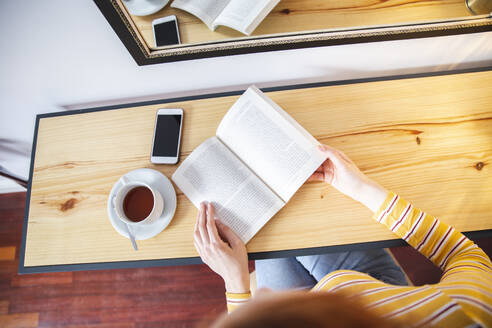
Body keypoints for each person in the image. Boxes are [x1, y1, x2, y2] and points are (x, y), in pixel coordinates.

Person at [193, 144, 492, 327]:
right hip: (380, 288)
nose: (264, 292)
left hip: (350, 294)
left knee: (273, 232)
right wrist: (363, 188)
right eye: (264, 299)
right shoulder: (466, 313)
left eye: (262, 297)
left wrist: (236, 284)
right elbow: (467, 256)